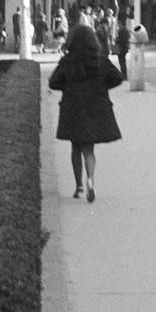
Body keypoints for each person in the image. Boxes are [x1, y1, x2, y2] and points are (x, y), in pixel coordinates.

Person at [49, 26, 124, 203]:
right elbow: (118, 77)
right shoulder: (100, 60)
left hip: (73, 107)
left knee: (75, 147)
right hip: (95, 107)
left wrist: (67, 87)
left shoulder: (67, 61)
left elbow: (53, 82)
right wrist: (102, 87)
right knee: (89, 149)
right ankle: (90, 179)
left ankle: (78, 187)